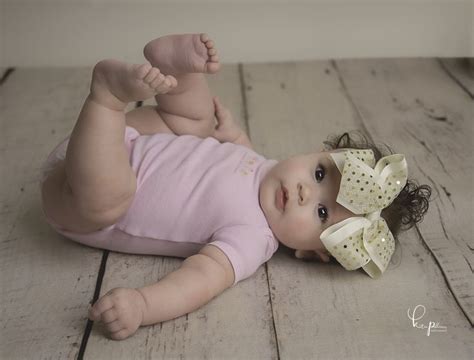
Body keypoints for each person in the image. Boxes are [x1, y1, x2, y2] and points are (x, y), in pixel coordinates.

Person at [40, 34, 431, 340]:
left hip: (79, 197)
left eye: (322, 213)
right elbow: (236, 159)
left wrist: (143, 305)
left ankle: (106, 98)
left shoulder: (252, 240)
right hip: (121, 141)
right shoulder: (264, 165)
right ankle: (175, 66)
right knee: (194, 124)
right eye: (318, 175)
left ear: (314, 253)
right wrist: (230, 135)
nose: (304, 194)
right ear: (319, 152)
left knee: (108, 200)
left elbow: (197, 282)